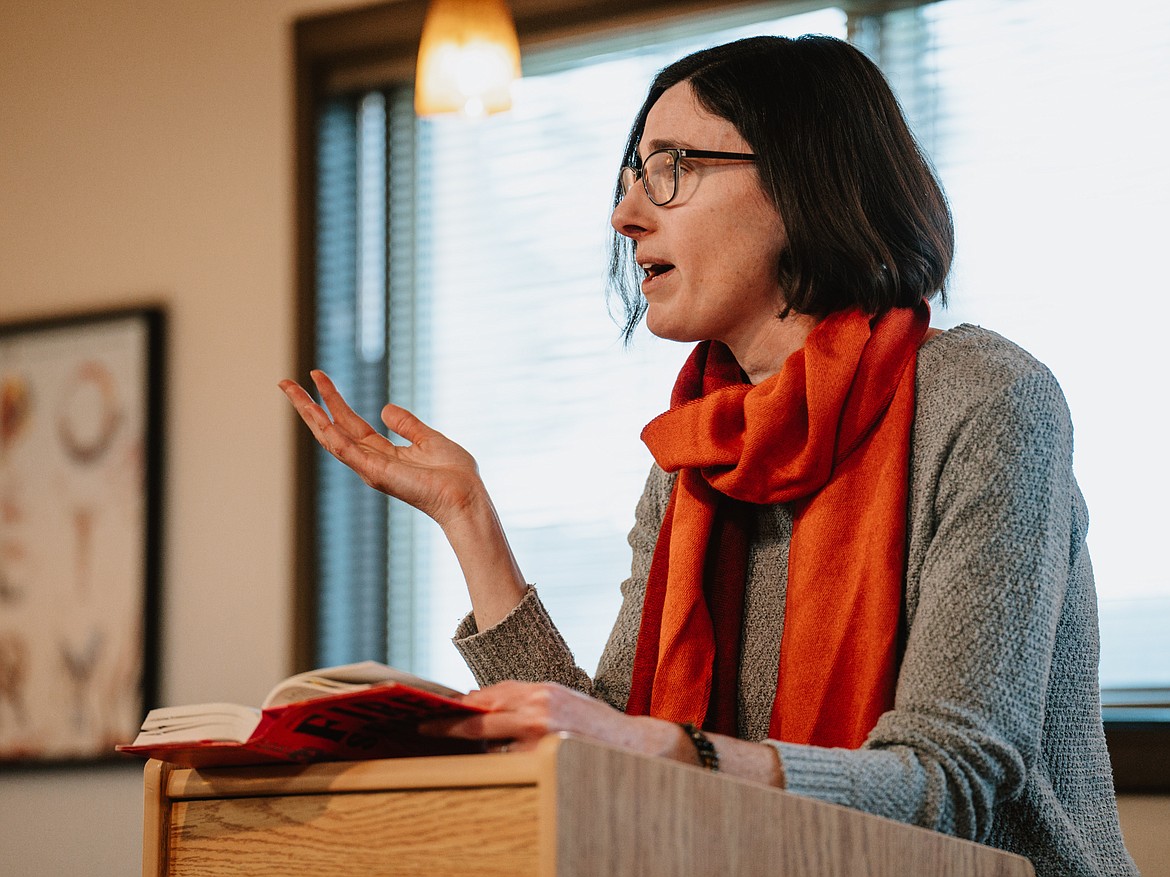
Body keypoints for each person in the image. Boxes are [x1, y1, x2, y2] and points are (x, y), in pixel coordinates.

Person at [280, 35, 1137, 877]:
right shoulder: (696, 448)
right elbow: (607, 739)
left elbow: (953, 782)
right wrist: (469, 518)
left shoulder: (985, 396)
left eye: (670, 170)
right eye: (628, 180)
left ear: (803, 181)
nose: (626, 215)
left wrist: (668, 746)